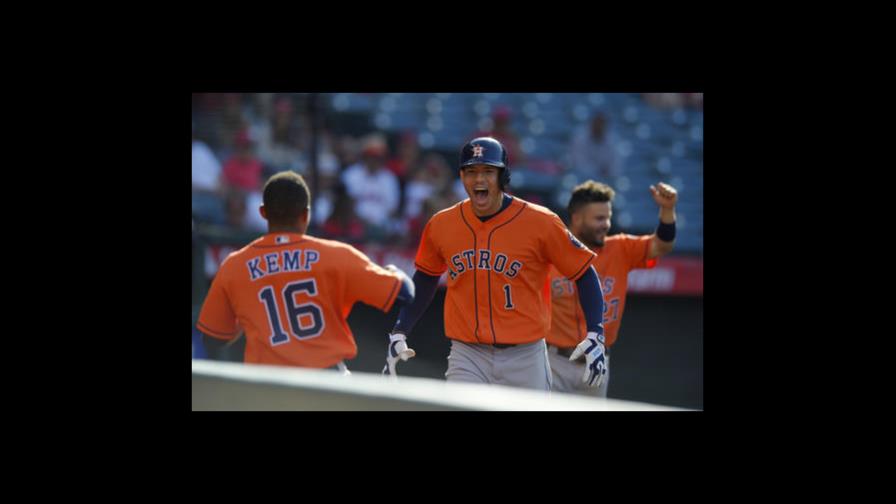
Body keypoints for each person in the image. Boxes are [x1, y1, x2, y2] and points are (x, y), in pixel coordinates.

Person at [382, 137, 607, 392]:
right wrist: (400, 329)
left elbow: (584, 273)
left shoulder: (541, 222)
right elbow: (425, 277)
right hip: (468, 354)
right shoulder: (441, 224)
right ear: (462, 176)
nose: (479, 180)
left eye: (488, 171)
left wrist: (595, 332)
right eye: (471, 172)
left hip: (525, 355)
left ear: (503, 176)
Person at [196, 171, 415, 373]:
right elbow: (404, 294)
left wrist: (247, 317)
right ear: (305, 215)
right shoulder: (336, 255)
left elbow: (213, 339)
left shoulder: (235, 265)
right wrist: (393, 270)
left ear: (263, 212)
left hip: (266, 388)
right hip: (324, 381)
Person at [546, 180, 678, 397]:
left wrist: (667, 209)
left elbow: (662, 244)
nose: (606, 224)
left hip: (597, 362)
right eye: (599, 218)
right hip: (554, 362)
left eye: (607, 217)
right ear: (577, 218)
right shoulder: (550, 252)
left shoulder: (620, 248)